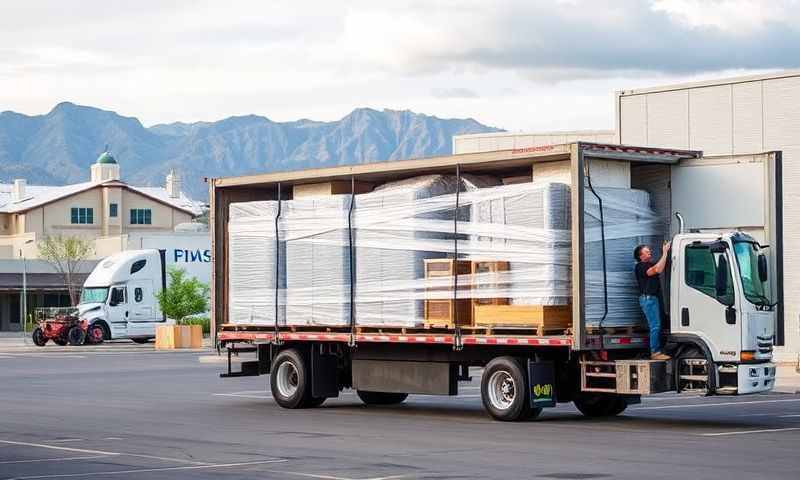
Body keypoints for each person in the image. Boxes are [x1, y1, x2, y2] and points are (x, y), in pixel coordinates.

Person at [633, 241, 671, 360]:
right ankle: (655, 352)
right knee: (655, 326)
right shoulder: (641, 266)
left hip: (653, 299)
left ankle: (658, 350)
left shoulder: (649, 264)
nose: (649, 252)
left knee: (659, 324)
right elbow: (658, 270)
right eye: (646, 251)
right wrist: (664, 252)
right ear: (640, 256)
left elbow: (660, 265)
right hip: (648, 299)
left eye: (649, 250)